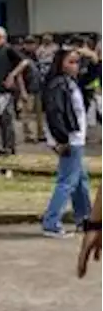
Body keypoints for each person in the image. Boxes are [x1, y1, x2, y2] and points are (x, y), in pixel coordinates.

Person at [41, 47, 93, 237]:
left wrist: (92, 58)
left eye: (76, 62)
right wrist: (60, 139)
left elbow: (91, 75)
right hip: (70, 139)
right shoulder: (59, 84)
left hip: (76, 137)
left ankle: (84, 218)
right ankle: (51, 221)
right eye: (70, 62)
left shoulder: (71, 83)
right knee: (67, 182)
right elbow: (55, 114)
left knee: (80, 181)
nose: (75, 66)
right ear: (60, 63)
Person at [0, 26, 29, 156]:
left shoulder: (8, 50)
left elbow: (24, 62)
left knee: (7, 119)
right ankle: (4, 145)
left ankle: (10, 147)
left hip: (6, 91)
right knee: (0, 119)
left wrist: (12, 75)